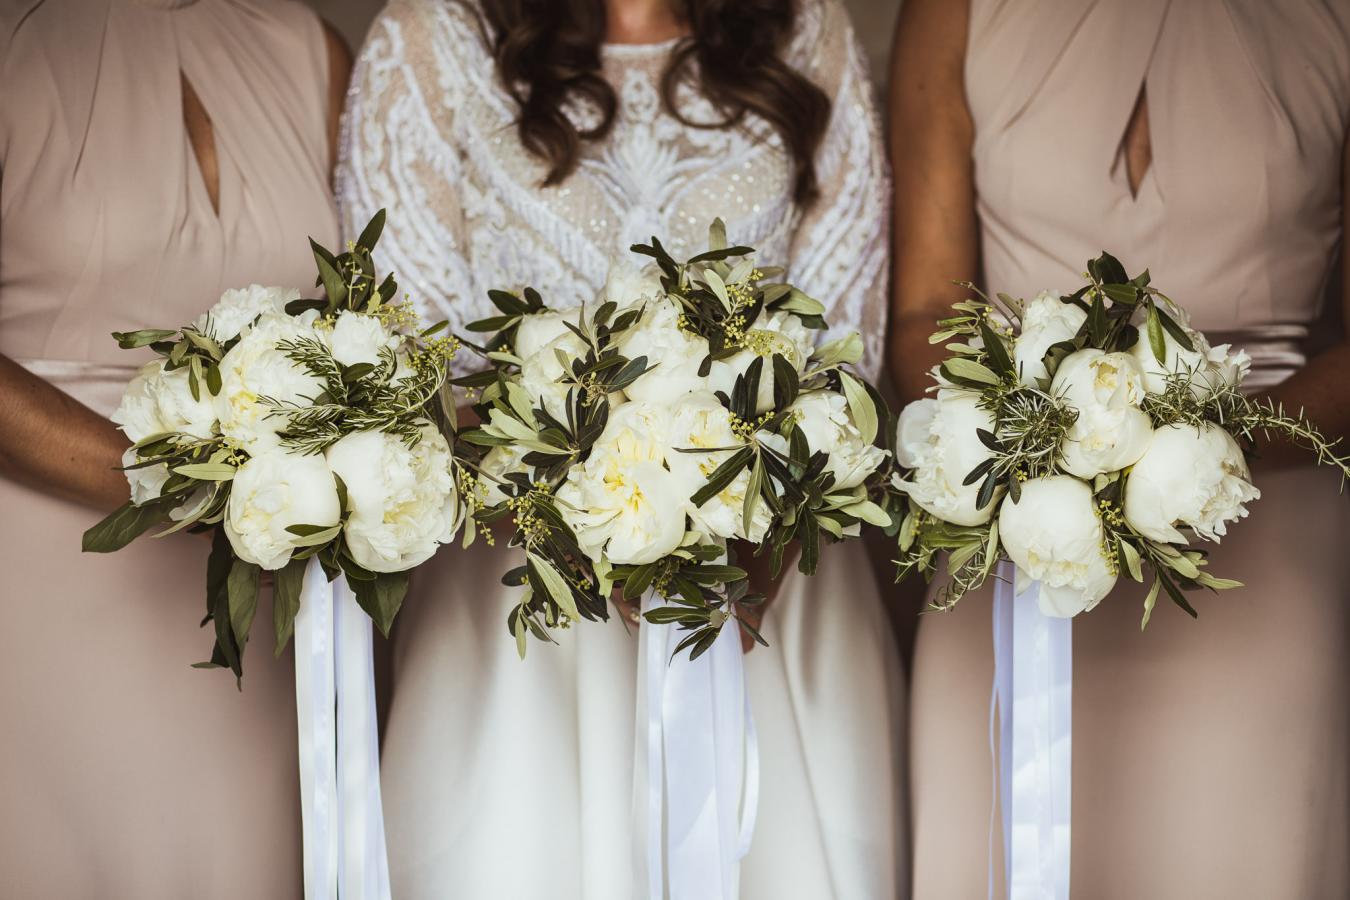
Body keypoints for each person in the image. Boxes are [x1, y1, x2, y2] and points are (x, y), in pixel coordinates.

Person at [338, 0, 904, 896]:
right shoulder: (431, 39)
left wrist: (746, 526)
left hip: (774, 585)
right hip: (520, 626)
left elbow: (848, 353)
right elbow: (413, 374)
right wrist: (598, 506)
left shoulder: (806, 32)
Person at [888, 0, 1350, 896]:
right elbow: (918, 319)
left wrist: (1192, 453)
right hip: (1015, 525)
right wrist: (1041, 445)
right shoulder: (952, 10)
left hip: (1263, 515)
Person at [0, 0, 351, 895]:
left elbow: (369, 323)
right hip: (47, 580)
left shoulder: (307, 48)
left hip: (259, 592)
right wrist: (183, 491)